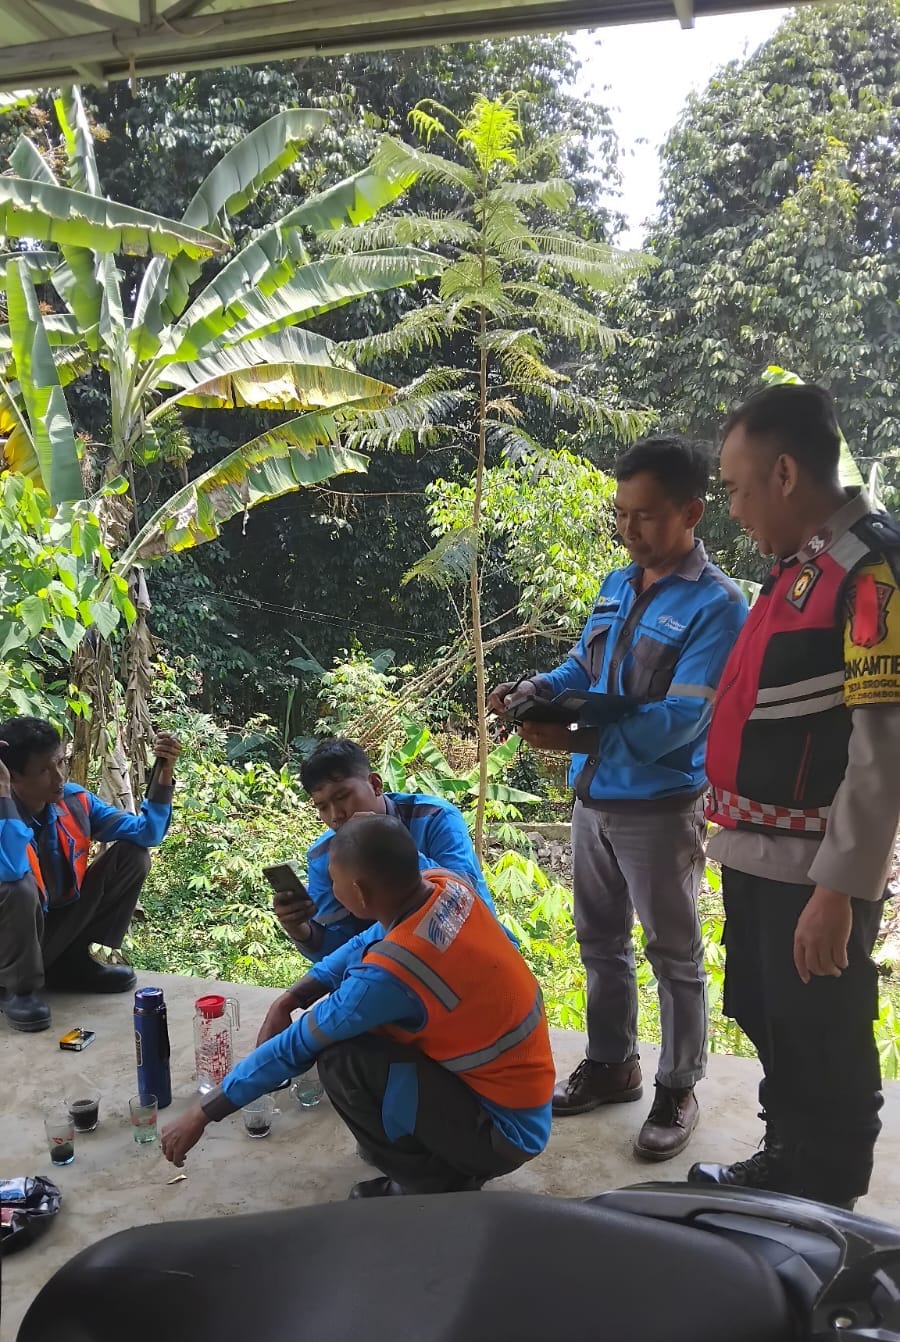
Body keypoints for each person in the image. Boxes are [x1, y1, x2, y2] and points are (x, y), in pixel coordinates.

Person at [488, 436, 748, 1160]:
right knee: (599, 942)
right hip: (594, 800)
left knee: (673, 952)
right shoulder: (615, 583)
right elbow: (584, 664)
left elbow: (679, 723)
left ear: (691, 511)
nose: (630, 531)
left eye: (647, 517)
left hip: (661, 807)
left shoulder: (718, 606)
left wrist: (572, 736)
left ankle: (679, 1083)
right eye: (621, 515)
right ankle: (613, 1064)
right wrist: (537, 689)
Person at [689, 383, 900, 1208]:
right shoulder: (799, 567)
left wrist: (839, 891)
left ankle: (829, 1207)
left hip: (814, 872)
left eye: (738, 489)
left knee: (825, 1043)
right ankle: (789, 1159)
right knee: (770, 1014)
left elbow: (881, 755)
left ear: (783, 474)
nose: (734, 510)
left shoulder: (869, 571)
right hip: (757, 854)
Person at [162, 815, 555, 1198]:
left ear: (362, 893)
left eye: (334, 881)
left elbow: (297, 1044)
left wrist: (202, 1113)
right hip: (521, 1103)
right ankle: (440, 1155)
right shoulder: (444, 886)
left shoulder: (389, 977)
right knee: (371, 1034)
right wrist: (292, 997)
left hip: (501, 1135)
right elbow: (367, 938)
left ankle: (432, 1184)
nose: (329, 889)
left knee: (339, 1057)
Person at [259, 737, 505, 1044]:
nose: (336, 815)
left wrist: (385, 846)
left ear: (375, 785)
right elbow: (341, 948)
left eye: (343, 796)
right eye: (322, 806)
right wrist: (301, 930)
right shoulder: (326, 858)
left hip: (473, 965)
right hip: (396, 977)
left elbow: (463, 901)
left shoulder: (434, 819)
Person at [0, 717, 180, 1033]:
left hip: (55, 930)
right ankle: (18, 990)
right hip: (9, 950)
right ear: (11, 777)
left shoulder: (74, 801)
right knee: (20, 887)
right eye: (45, 770)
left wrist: (163, 772)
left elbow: (148, 833)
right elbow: (13, 870)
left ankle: (74, 964)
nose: (59, 777)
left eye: (61, 762)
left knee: (132, 856)